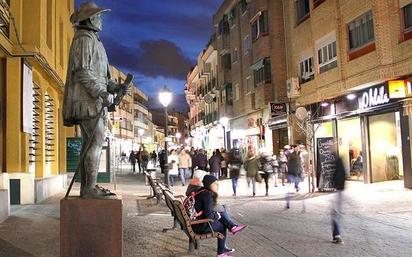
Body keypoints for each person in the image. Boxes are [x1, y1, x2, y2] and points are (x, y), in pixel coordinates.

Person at [63, 1, 120, 198]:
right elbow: (82, 72)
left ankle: (89, 187)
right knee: (94, 143)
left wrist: (114, 87)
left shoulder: (96, 43)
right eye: (98, 16)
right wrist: (101, 92)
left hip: (94, 101)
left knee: (92, 143)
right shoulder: (84, 39)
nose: (101, 19)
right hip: (86, 101)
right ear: (90, 19)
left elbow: (103, 77)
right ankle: (89, 188)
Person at [191, 175, 247, 256]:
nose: (217, 186)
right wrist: (217, 216)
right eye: (215, 184)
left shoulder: (201, 191)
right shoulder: (207, 195)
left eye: (217, 184)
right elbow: (208, 215)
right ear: (208, 184)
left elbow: (207, 211)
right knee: (222, 226)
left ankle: (232, 228)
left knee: (221, 211)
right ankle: (221, 252)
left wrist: (217, 214)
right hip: (198, 226)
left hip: (194, 223)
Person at [332, 156, 346, 244]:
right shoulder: (338, 162)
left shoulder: (337, 161)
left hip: (337, 190)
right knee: (336, 213)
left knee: (335, 213)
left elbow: (340, 176)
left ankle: (337, 235)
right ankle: (336, 235)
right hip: (338, 190)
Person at [285, 145, 304, 209]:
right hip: (292, 173)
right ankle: (288, 203)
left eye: (298, 148)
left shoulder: (298, 154)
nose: (297, 149)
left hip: (297, 172)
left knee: (295, 186)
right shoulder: (292, 155)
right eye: (296, 148)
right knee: (290, 188)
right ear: (293, 148)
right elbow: (289, 164)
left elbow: (299, 164)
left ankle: (296, 186)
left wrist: (301, 171)